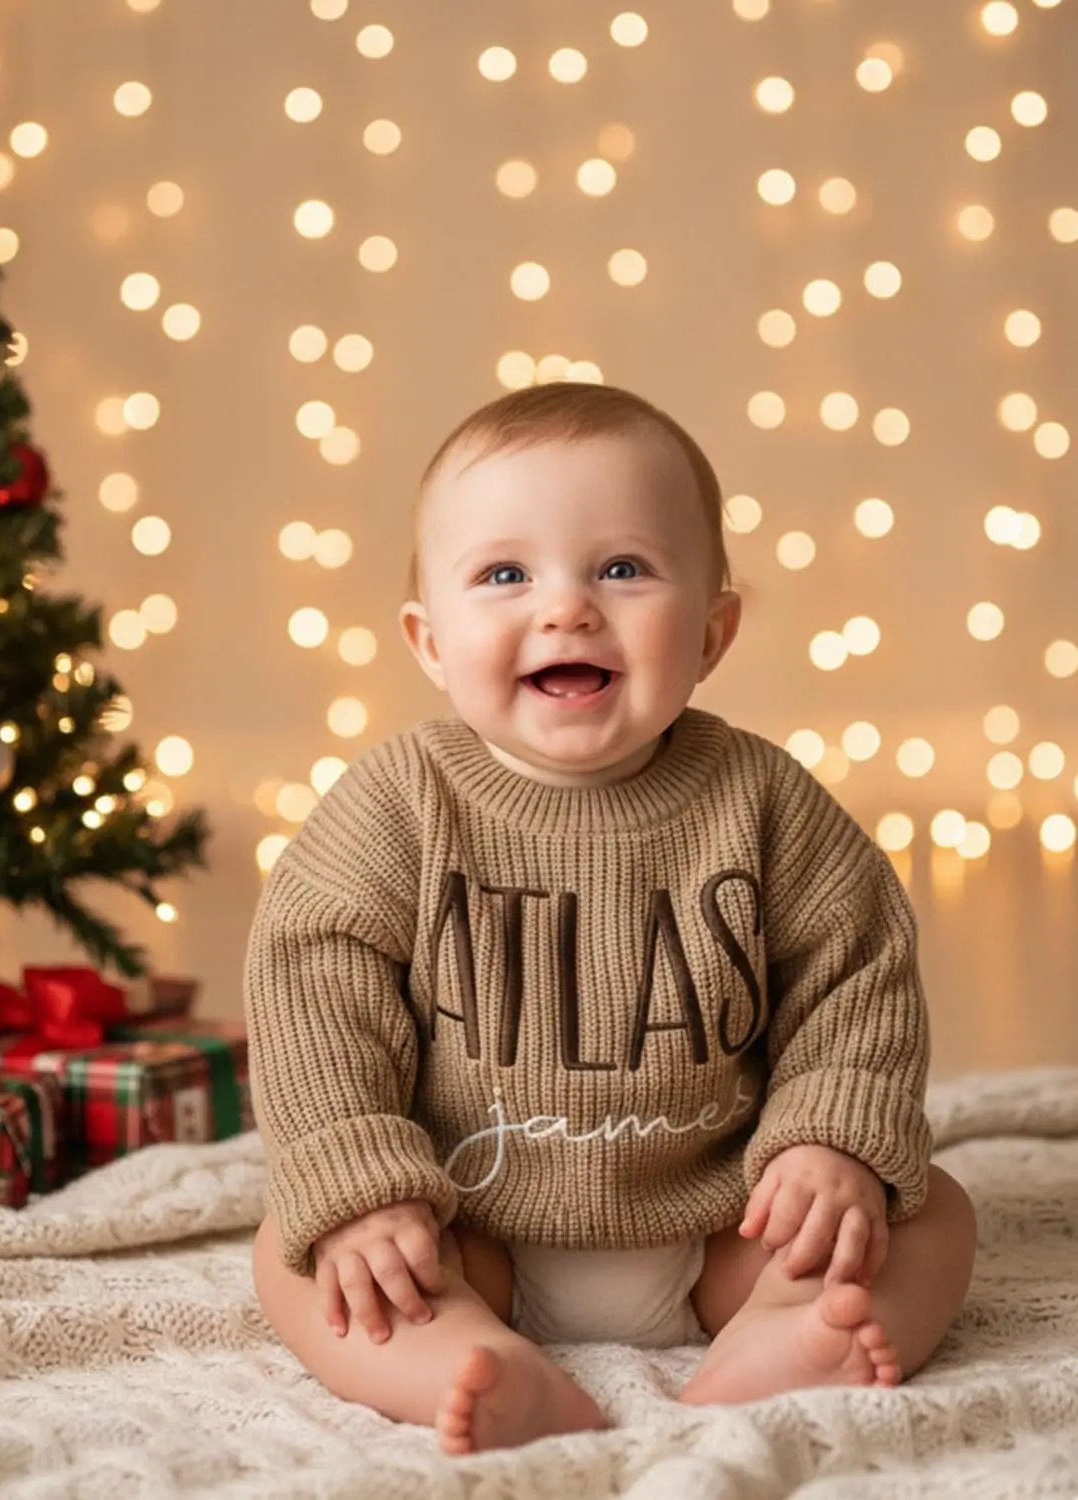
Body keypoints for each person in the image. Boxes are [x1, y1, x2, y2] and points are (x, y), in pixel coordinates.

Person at [245, 382, 978, 1455]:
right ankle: (462, 1357)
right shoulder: (396, 805)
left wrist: (830, 1141)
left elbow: (855, 971)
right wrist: (359, 1186)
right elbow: (315, 991)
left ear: (714, 633)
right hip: (466, 1223)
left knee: (934, 1215)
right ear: (430, 641)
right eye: (504, 575)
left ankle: (783, 1333)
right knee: (298, 1255)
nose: (566, 609)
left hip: (724, 1221)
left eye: (623, 569)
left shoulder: (762, 800)